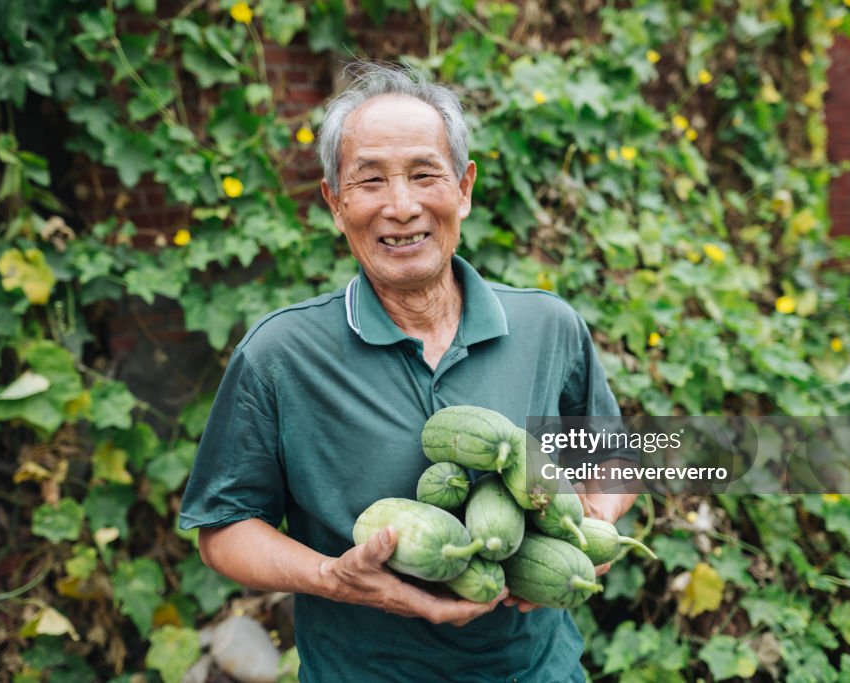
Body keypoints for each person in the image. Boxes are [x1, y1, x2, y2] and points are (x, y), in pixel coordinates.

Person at [179, 63, 638, 682]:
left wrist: (593, 528)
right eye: (370, 182)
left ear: (465, 189)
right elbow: (223, 527)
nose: (401, 207)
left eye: (425, 175)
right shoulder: (281, 354)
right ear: (335, 205)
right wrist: (334, 578)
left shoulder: (546, 325)